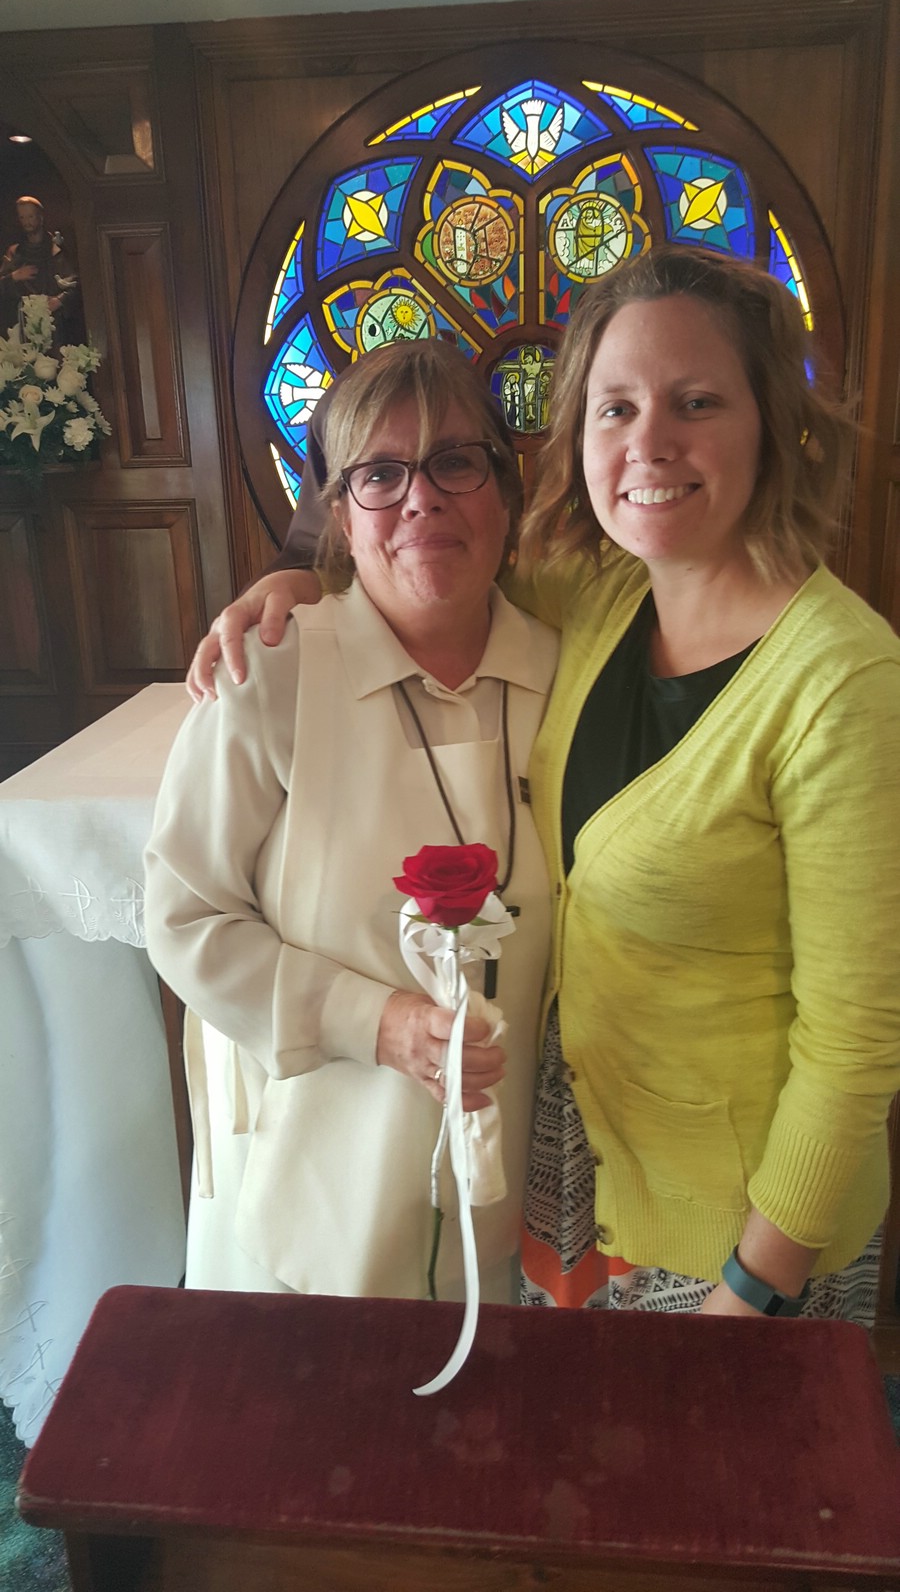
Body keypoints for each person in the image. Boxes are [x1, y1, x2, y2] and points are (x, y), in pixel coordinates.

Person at [183, 248, 900, 1327]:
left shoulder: (841, 680)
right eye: (616, 408)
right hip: (575, 1176)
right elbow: (426, 548)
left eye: (696, 402)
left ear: (775, 424)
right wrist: (298, 580)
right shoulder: (602, 598)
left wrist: (755, 1288)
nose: (649, 443)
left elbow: (855, 1047)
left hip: (738, 1228)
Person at [144, 339, 558, 1303]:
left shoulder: (566, 671)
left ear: (505, 492)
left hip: (518, 1176)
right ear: (340, 513)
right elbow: (183, 916)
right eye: (380, 474)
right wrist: (375, 1022)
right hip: (314, 1173)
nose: (422, 500)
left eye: (456, 462)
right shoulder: (271, 673)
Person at [0, 196, 79, 338]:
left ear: (40, 217)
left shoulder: (56, 250)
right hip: (22, 325)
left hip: (54, 324)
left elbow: (75, 284)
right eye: (22, 217)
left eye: (30, 216)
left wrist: (59, 300)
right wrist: (14, 276)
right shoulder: (14, 252)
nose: (27, 222)